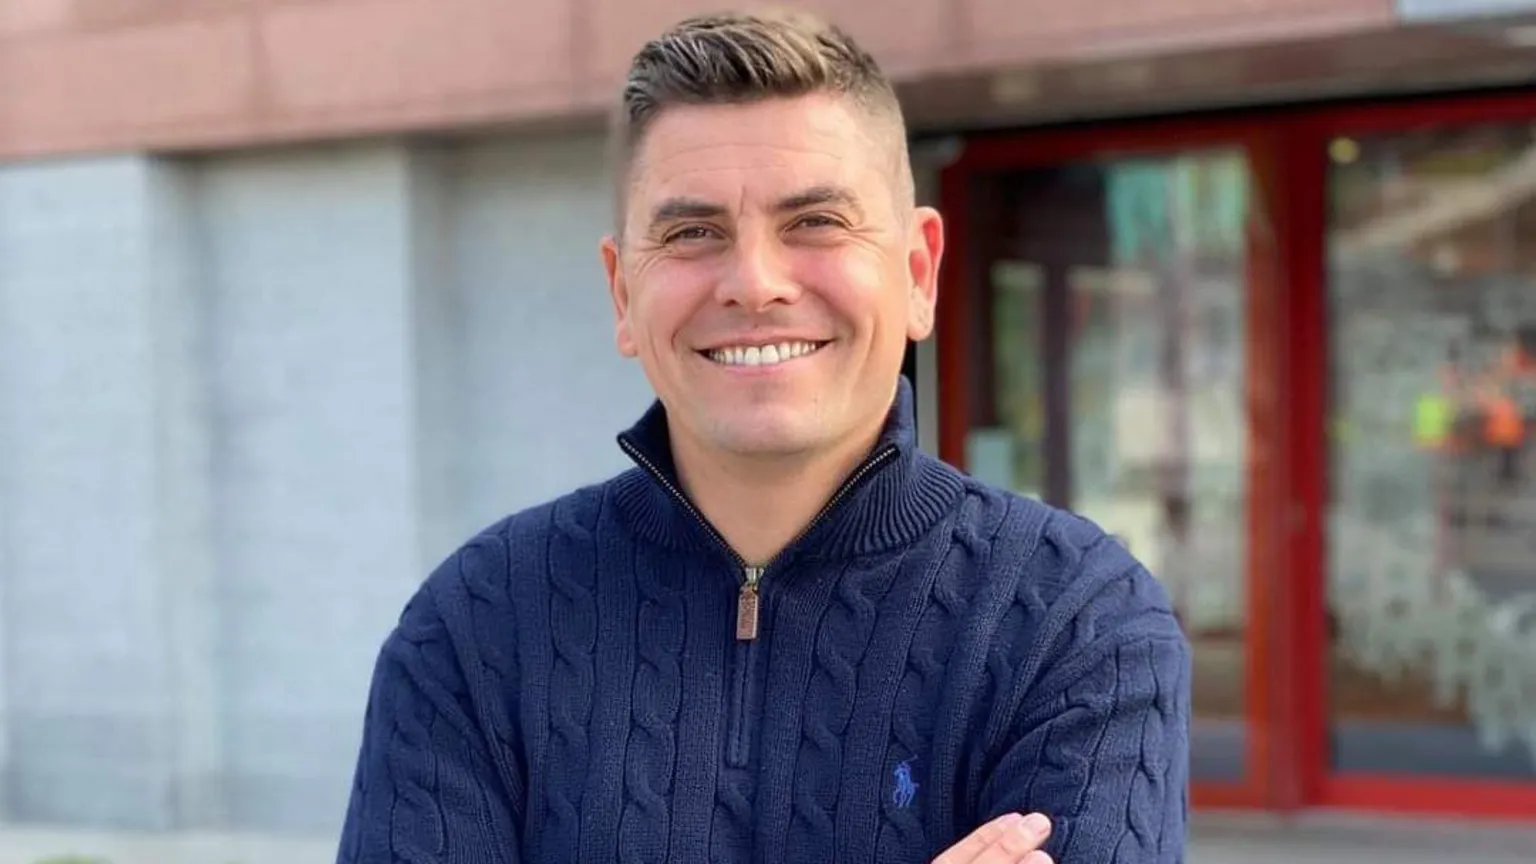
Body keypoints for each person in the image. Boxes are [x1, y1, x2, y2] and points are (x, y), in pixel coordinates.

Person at [336, 9, 1190, 864]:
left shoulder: (1078, 623)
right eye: (692, 233)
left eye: (815, 222)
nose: (754, 282)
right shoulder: (476, 629)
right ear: (621, 293)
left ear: (918, 271)